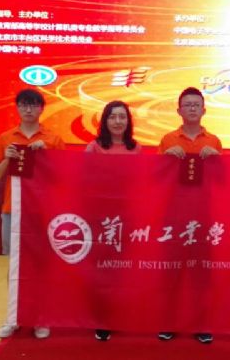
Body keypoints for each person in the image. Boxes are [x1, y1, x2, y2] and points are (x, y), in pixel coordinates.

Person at [0, 88, 65, 339]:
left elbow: (62, 177)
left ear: (42, 108)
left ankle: (40, 317)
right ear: (17, 108)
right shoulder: (6, 138)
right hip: (13, 210)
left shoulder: (53, 139)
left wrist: (48, 156)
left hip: (43, 212)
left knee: (41, 266)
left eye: (33, 105)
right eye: (24, 105)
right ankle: (13, 317)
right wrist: (7, 159)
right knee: (15, 265)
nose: (28, 109)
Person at [157, 87, 222, 345]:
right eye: (187, 104)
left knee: (201, 275)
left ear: (204, 110)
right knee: (170, 273)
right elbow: (155, 178)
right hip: (174, 216)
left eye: (196, 104)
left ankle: (201, 324)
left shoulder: (214, 141)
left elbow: (222, 181)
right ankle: (168, 322)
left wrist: (218, 160)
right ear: (179, 110)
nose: (192, 108)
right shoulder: (167, 140)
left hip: (203, 216)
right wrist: (165, 159)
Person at [85, 100, 141, 341]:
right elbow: (83, 178)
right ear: (104, 121)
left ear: (128, 121)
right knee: (101, 266)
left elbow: (141, 182)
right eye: (112, 117)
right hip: (100, 216)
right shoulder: (94, 147)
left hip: (126, 215)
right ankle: (101, 316)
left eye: (122, 117)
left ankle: (118, 312)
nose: (118, 121)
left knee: (121, 267)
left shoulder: (135, 148)